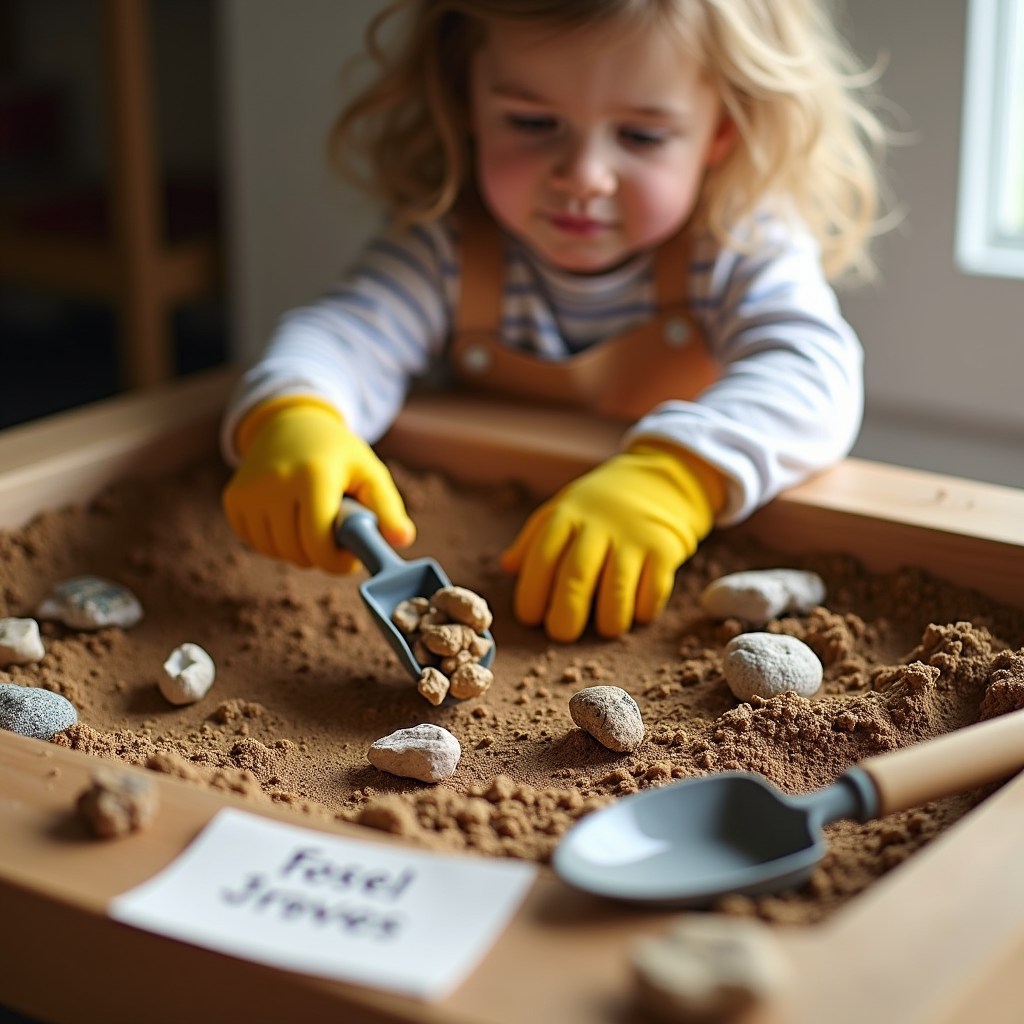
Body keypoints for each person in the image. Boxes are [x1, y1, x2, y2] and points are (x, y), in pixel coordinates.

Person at [221, 0, 888, 643]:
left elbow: (813, 372)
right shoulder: (445, 247)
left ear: (721, 131)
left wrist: (675, 479)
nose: (584, 176)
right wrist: (295, 414)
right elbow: (343, 337)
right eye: (533, 122)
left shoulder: (736, 245)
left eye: (642, 135)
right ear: (464, 97)